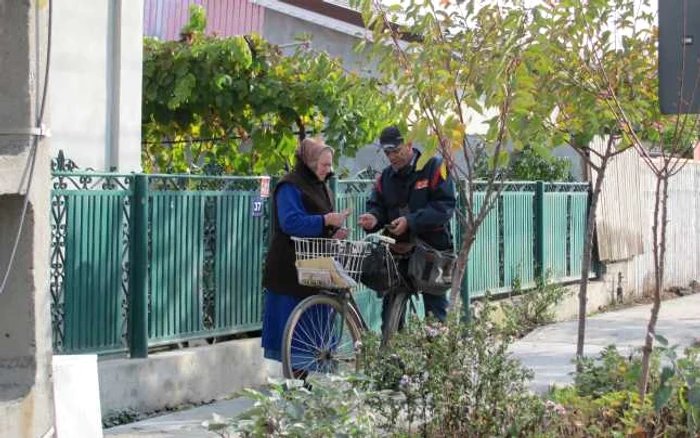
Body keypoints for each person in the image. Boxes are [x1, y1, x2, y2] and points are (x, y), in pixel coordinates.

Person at [261, 138, 349, 375]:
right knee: (294, 334)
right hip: (289, 269)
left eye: (330, 165)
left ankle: (301, 382)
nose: (328, 170)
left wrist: (334, 231)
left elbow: (321, 224)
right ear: (309, 162)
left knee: (311, 334)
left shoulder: (322, 187)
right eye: (323, 165)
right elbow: (290, 222)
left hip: (314, 268)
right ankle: (295, 384)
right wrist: (325, 221)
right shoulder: (289, 186)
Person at [358, 126, 456, 323]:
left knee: (435, 316)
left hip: (431, 251)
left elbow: (445, 207)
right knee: (390, 314)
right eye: (387, 153)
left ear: (409, 144)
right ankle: (392, 352)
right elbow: (377, 206)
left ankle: (437, 354)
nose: (392, 157)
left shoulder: (434, 167)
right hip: (398, 251)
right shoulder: (384, 178)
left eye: (396, 150)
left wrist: (410, 222)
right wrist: (373, 218)